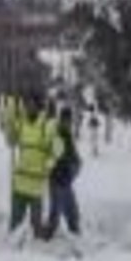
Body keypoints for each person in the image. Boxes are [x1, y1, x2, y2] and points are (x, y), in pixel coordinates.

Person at [9, 94, 58, 241]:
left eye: (32, 104)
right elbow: (11, 140)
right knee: (15, 225)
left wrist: (50, 162)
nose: (29, 107)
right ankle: (11, 255)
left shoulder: (47, 126)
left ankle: (38, 252)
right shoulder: (21, 123)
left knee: (36, 227)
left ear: (38, 106)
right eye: (27, 105)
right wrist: (9, 121)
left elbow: (57, 149)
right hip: (20, 181)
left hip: (36, 183)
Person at [46, 107, 81, 238]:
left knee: (73, 213)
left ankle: (76, 234)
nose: (67, 123)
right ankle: (47, 239)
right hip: (56, 181)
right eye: (65, 120)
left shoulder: (68, 135)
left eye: (69, 121)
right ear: (61, 119)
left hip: (66, 181)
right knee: (55, 213)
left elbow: (73, 155)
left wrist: (77, 163)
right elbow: (54, 158)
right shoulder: (57, 135)